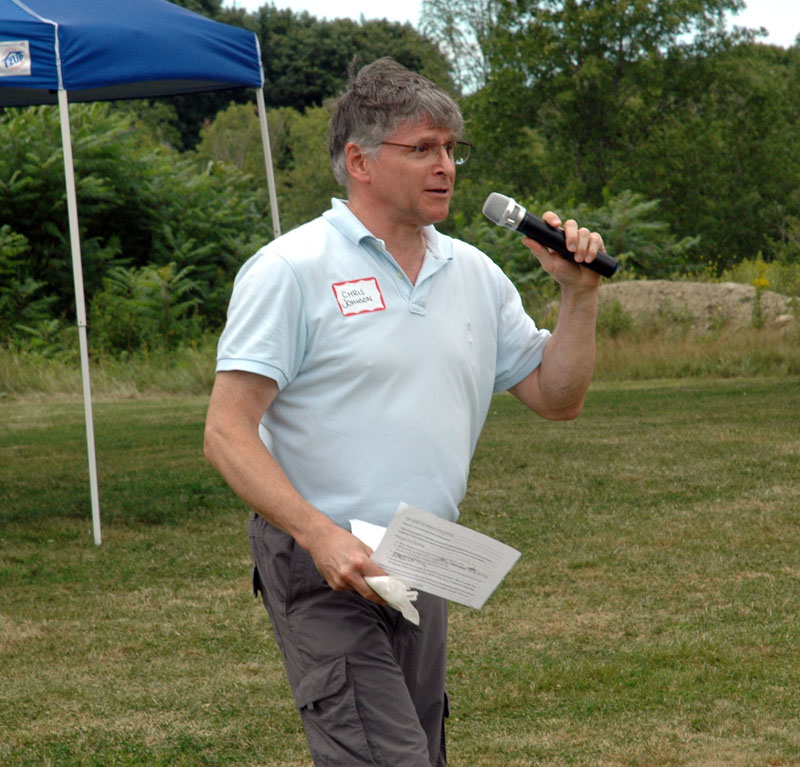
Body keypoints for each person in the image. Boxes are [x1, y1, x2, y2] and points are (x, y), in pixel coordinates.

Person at [204, 57, 605, 767]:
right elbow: (227, 433)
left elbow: (558, 397)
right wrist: (319, 534)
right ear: (358, 160)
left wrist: (578, 296)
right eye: (422, 148)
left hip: (422, 559)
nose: (445, 165)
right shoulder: (290, 269)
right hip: (321, 561)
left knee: (417, 751)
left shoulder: (473, 274)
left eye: (452, 148)